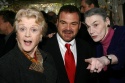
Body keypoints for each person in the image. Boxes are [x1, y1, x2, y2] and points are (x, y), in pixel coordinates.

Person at [41, 5, 98, 83]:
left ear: (80, 25)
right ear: (57, 23)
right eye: (63, 23)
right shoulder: (42, 48)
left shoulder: (87, 48)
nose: (68, 28)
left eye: (73, 24)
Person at [0, 8, 58, 83]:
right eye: (22, 29)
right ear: (17, 34)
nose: (27, 34)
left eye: (33, 30)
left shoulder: (48, 58)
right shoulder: (4, 66)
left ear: (41, 35)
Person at [84, 8, 125, 83]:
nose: (91, 31)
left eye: (95, 25)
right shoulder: (94, 45)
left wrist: (104, 60)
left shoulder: (122, 33)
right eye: (88, 27)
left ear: (107, 21)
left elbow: (122, 53)